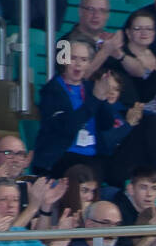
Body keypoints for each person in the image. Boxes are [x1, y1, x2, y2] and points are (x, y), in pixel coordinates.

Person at [31, 40, 115, 177]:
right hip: (61, 156)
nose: (78, 64)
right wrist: (95, 99)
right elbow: (67, 128)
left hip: (93, 156)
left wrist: (104, 98)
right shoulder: (52, 90)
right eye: (73, 58)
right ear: (63, 60)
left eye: (83, 59)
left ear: (89, 64)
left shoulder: (91, 88)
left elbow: (107, 124)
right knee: (82, 177)